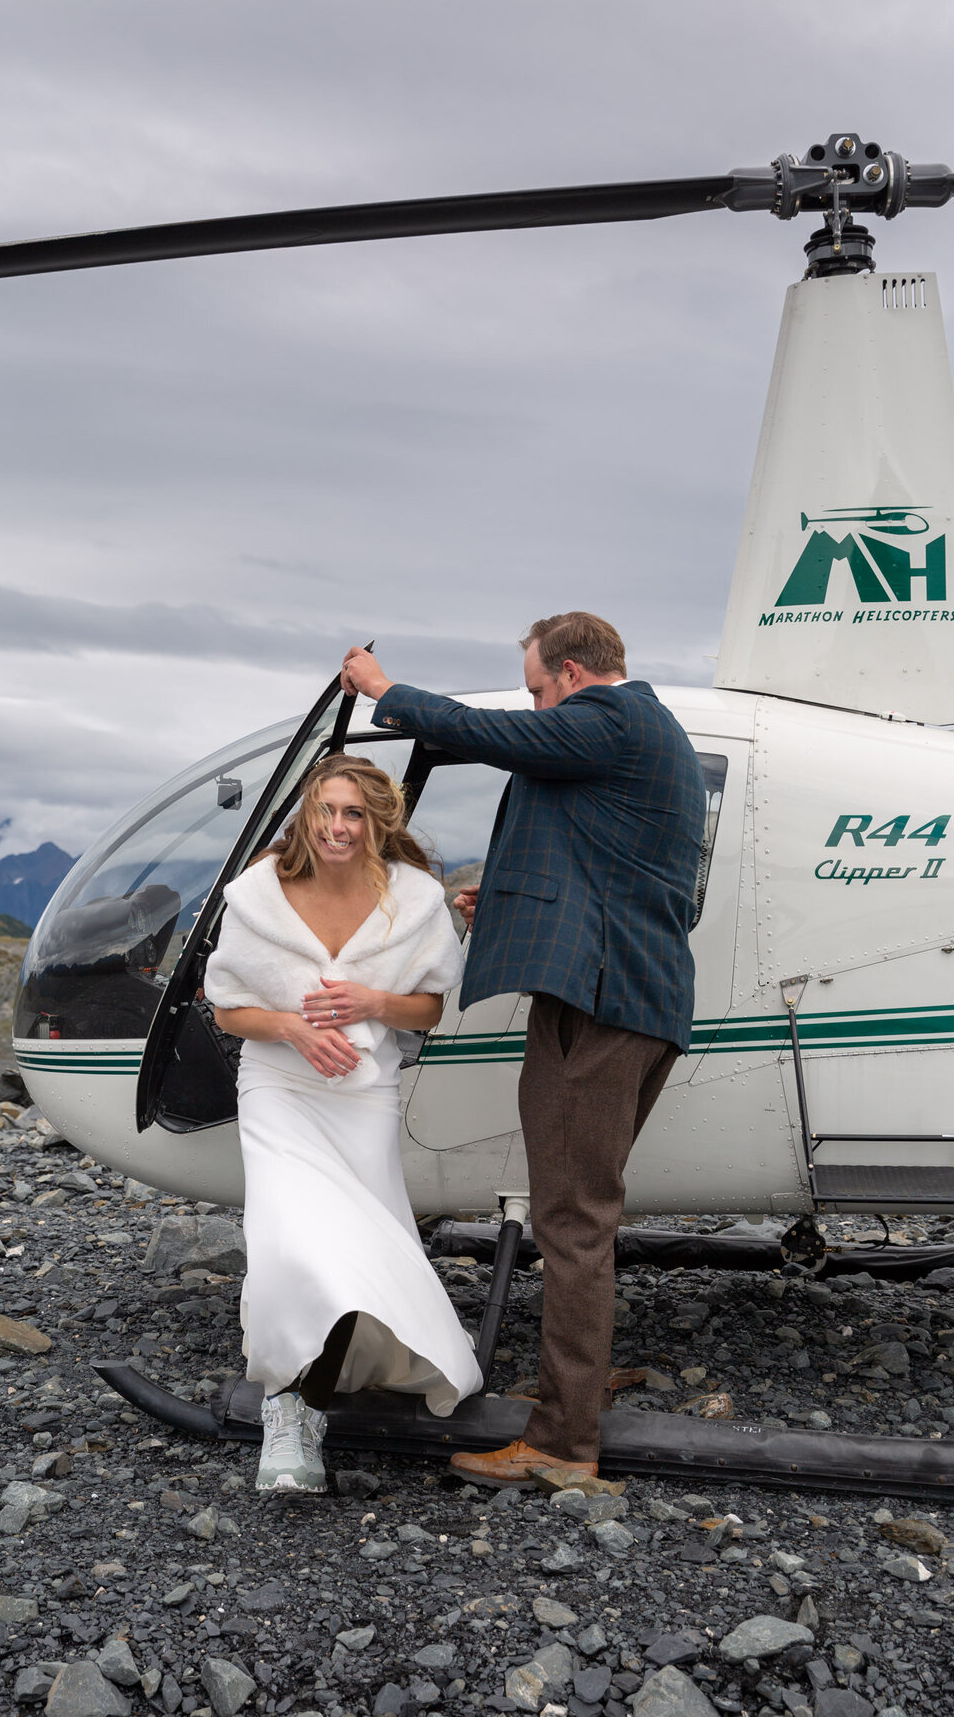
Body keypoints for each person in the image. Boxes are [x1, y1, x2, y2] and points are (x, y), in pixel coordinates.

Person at [342, 613, 705, 1485]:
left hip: (604, 1001)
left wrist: (389, 694)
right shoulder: (630, 737)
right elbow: (599, 867)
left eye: (540, 688)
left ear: (574, 675)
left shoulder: (616, 717)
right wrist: (498, 903)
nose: (536, 705)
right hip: (611, 993)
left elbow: (496, 734)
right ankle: (569, 1389)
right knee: (575, 1211)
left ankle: (563, 1444)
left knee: (573, 1221)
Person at [205, 753, 482, 1494]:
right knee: (292, 1245)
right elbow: (226, 1005)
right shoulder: (259, 894)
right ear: (306, 811)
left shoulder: (414, 900)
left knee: (356, 1252)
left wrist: (371, 1004)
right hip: (279, 1091)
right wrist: (291, 1028)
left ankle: (317, 1391)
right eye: (326, 809)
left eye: (354, 813)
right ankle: (289, 1411)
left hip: (363, 1098)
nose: (337, 826)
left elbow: (427, 1005)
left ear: (376, 821)